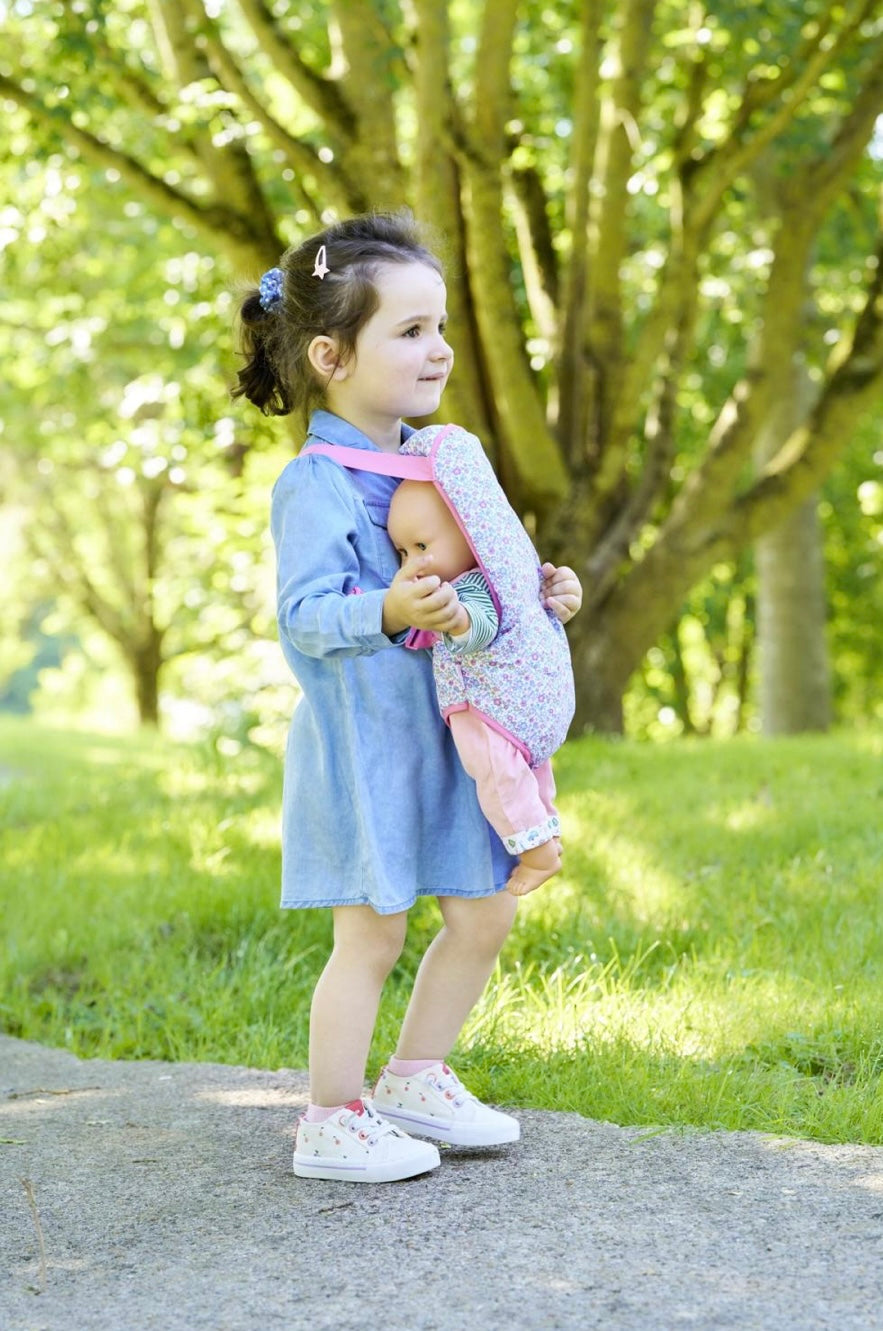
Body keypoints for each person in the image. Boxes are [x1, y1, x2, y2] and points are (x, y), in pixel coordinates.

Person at [233, 211, 582, 1185]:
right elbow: (304, 614)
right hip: (363, 747)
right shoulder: (318, 483)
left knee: (482, 911)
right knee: (373, 929)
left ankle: (416, 1074)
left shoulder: (438, 459)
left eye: (440, 327)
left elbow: (482, 571)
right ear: (330, 355)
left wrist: (536, 590)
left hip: (450, 737)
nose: (439, 348)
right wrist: (383, 605)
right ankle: (330, 1116)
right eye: (410, 330)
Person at [386, 455, 575, 898]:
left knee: (498, 777)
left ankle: (537, 854)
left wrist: (457, 622)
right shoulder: (481, 581)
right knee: (531, 777)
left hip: (488, 711)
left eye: (420, 546)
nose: (411, 563)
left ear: (467, 533)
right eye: (402, 553)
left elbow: (479, 626)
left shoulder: (471, 587)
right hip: (517, 709)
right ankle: (547, 831)